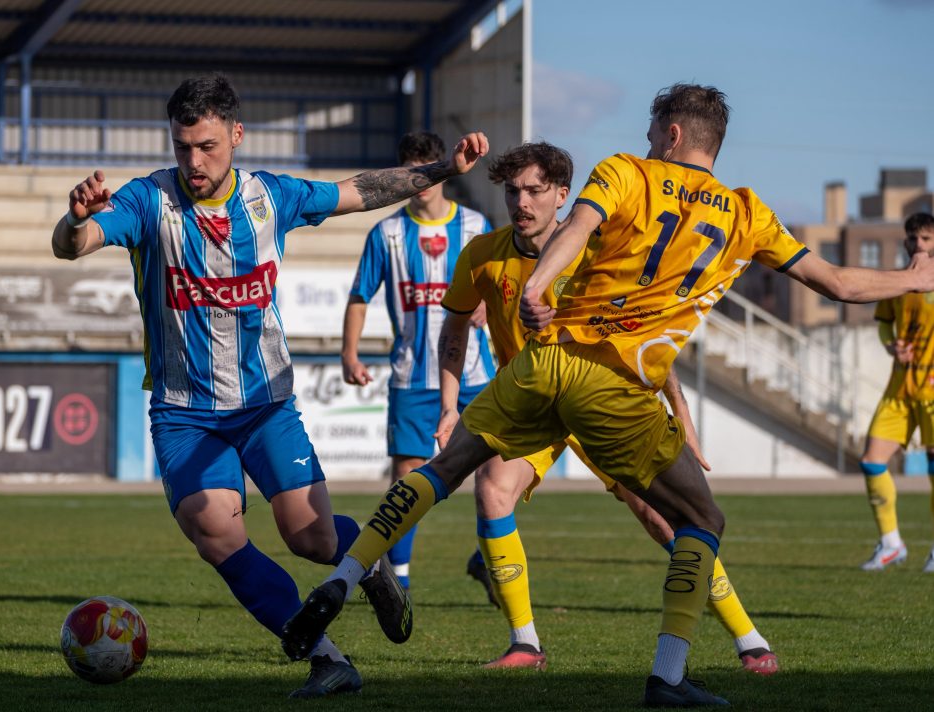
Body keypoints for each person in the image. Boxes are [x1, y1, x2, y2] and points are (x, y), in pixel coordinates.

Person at [280, 83, 934, 707]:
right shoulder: (747, 213)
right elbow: (842, 285)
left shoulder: (626, 172)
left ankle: (343, 578)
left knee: (444, 469)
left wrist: (538, 284)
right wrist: (912, 277)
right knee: (702, 521)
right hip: (615, 386)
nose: (647, 144)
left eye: (653, 135)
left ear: (672, 133)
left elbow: (579, 227)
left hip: (545, 363)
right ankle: (669, 674)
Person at [50, 74, 487, 699]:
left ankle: (367, 565)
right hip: (184, 413)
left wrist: (442, 168)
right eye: (182, 147)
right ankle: (327, 659)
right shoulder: (150, 202)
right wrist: (74, 219)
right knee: (216, 532)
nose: (194, 161)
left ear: (236, 134)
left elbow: (358, 192)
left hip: (265, 405)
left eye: (206, 146)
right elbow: (75, 244)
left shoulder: (270, 198)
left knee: (308, 537)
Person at [436, 141, 777, 674]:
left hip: (600, 397)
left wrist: (681, 415)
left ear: (561, 196)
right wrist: (450, 405)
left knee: (664, 519)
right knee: (491, 489)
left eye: (534, 191)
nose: (521, 202)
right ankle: (525, 644)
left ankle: (748, 637)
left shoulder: (599, 252)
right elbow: (454, 326)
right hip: (530, 404)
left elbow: (644, 338)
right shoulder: (482, 254)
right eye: (513, 191)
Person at [342, 131, 497, 594]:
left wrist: (491, 301)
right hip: (413, 376)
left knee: (498, 469)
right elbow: (359, 296)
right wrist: (349, 352)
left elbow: (498, 281)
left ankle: (486, 556)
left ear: (445, 168)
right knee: (408, 477)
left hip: (476, 372)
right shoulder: (387, 233)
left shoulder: (475, 225)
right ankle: (400, 583)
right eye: (413, 169)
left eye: (430, 166)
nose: (422, 178)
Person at [859, 211, 934, 573]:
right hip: (900, 386)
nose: (918, 245)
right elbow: (885, 324)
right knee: (872, 460)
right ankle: (891, 543)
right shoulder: (898, 281)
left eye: (926, 239)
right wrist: (892, 347)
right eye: (913, 239)